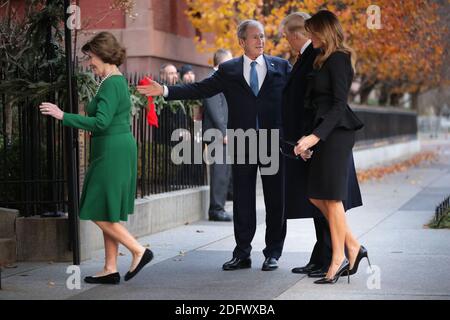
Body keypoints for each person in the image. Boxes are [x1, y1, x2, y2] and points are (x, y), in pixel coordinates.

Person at [138, 20, 291, 271]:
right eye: (254, 37)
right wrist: (165, 89)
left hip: (272, 141)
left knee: (276, 199)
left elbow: (298, 97)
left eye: (262, 36)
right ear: (241, 41)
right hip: (242, 141)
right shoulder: (229, 70)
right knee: (242, 199)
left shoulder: (282, 67)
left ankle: (273, 252)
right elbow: (200, 88)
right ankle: (242, 253)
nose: (261, 41)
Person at [39, 32, 153, 284]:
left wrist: (63, 116)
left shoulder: (112, 82)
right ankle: (110, 268)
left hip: (113, 151)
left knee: (94, 209)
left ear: (102, 54)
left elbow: (100, 122)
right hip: (111, 149)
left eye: (91, 57)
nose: (89, 62)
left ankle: (138, 250)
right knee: (106, 209)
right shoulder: (112, 80)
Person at [280, 12, 362, 280]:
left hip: (335, 134)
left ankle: (337, 258)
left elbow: (339, 105)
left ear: (325, 32)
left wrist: (315, 137)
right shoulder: (320, 59)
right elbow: (311, 104)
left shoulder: (340, 58)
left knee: (331, 197)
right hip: (319, 132)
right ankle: (352, 245)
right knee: (316, 196)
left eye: (313, 32)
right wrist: (306, 138)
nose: (310, 37)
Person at [203, 49, 233, 222]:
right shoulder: (211, 80)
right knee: (219, 172)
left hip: (222, 133)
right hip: (217, 134)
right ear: (221, 63)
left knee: (224, 171)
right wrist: (224, 132)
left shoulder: (220, 79)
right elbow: (215, 109)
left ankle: (220, 206)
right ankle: (216, 209)